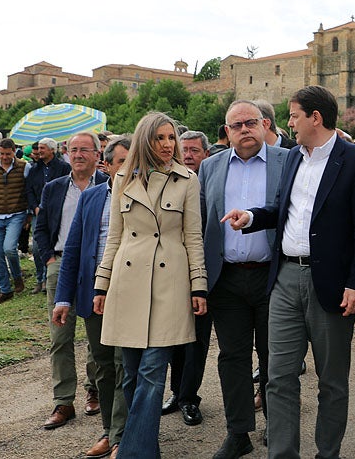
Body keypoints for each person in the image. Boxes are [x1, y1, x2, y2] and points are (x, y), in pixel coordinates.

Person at [222, 85, 355, 459]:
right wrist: (251, 218)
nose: (288, 123)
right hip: (285, 279)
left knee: (332, 381)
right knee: (278, 377)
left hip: (331, 285)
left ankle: (327, 454)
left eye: (294, 115)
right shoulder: (293, 157)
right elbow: (282, 210)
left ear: (315, 118)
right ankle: (283, 454)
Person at [93, 112, 208, 459]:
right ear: (145, 140)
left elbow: (193, 236)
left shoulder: (187, 179)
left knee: (152, 371)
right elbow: (114, 237)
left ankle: (132, 454)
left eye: (171, 138)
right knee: (130, 375)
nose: (167, 145)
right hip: (128, 282)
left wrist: (198, 285)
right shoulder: (122, 179)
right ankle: (145, 448)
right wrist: (102, 284)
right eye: (160, 138)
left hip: (169, 283)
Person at [199, 101, 289, 459]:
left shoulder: (287, 161)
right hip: (228, 279)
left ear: (265, 124)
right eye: (235, 125)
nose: (244, 130)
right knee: (232, 357)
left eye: (251, 122)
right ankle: (239, 432)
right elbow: (202, 224)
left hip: (274, 277)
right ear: (227, 131)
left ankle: (275, 424)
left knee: (274, 357)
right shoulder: (210, 167)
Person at [52, 137, 131, 458]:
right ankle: (110, 431)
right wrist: (63, 298)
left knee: (123, 364)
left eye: (134, 161)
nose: (129, 168)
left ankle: (122, 437)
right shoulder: (92, 197)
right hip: (93, 296)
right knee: (103, 367)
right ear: (107, 166)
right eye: (122, 162)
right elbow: (72, 250)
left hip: (130, 295)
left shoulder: (146, 198)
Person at [34, 132, 110, 432]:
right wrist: (49, 259)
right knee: (59, 337)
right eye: (72, 150)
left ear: (97, 154)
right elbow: (41, 229)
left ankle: (94, 390)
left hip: (96, 265)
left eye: (84, 150)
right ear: (66, 154)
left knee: (97, 333)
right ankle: (63, 400)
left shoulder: (108, 185)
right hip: (61, 262)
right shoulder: (53, 188)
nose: (77, 155)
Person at [161, 129, 213, 426]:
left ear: (206, 153)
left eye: (194, 150)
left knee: (196, 339)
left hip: (208, 273)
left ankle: (189, 398)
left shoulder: (213, 181)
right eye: (185, 150)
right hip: (173, 273)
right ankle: (176, 391)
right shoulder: (170, 182)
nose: (189, 155)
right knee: (175, 337)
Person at [0, 138, 31, 305]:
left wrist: (29, 214)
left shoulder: (24, 167)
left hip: (16, 214)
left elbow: (30, 191)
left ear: (14, 152)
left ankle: (17, 277)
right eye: (1, 154)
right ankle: (5, 289)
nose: (4, 157)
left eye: (7, 154)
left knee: (9, 248)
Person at [27, 138, 72, 295]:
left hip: (57, 213)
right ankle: (41, 279)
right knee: (38, 248)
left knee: (55, 245)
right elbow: (29, 190)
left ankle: (51, 278)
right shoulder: (34, 170)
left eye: (42, 148)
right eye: (38, 148)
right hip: (38, 213)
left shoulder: (64, 168)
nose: (39, 151)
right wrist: (35, 207)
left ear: (52, 150)